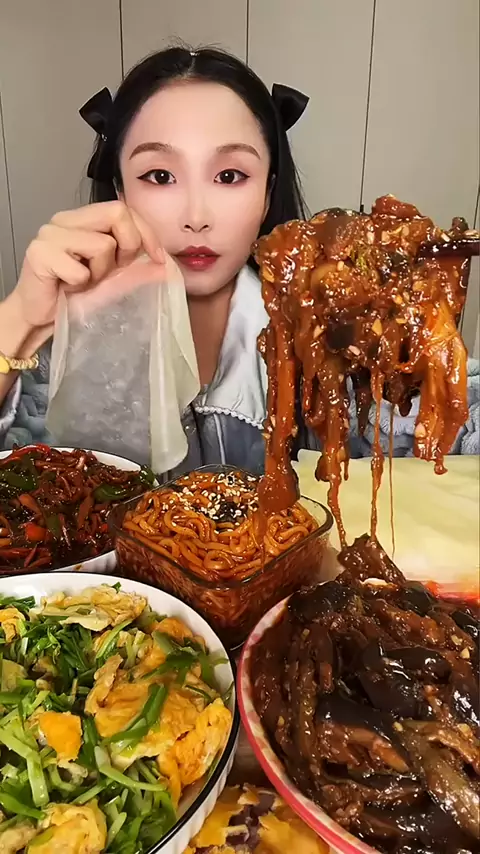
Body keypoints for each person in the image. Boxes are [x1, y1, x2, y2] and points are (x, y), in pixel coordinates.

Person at [0, 46, 477, 475]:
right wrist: (21, 319)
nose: (196, 217)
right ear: (121, 190)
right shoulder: (61, 350)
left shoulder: (339, 338)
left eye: (229, 175)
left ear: (268, 192)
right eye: (160, 175)